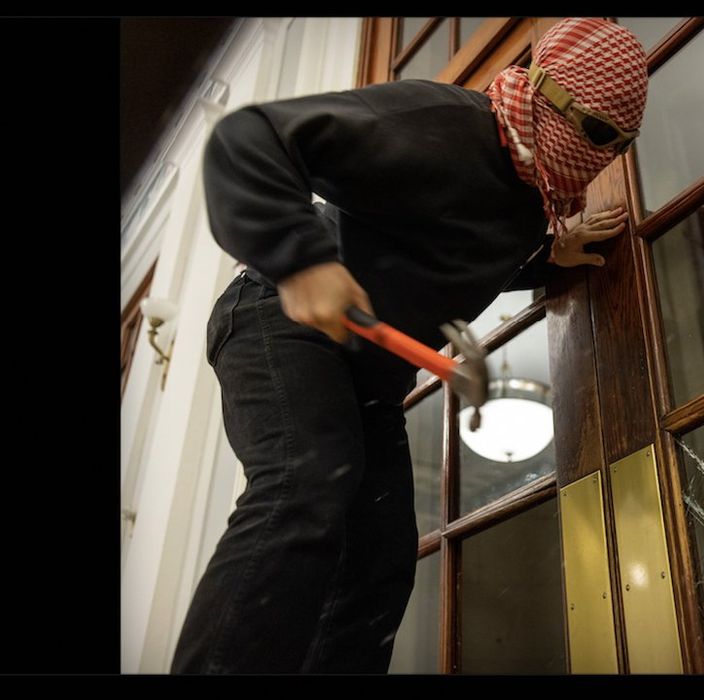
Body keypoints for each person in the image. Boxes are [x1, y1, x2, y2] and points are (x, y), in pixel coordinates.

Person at [171, 17, 649, 673]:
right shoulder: (437, 121)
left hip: (371, 383)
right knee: (304, 488)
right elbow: (246, 139)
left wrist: (548, 256)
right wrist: (301, 259)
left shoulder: (530, 191)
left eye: (620, 146)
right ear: (544, 92)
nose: (602, 157)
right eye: (597, 132)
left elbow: (451, 245)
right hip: (280, 319)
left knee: (380, 560)